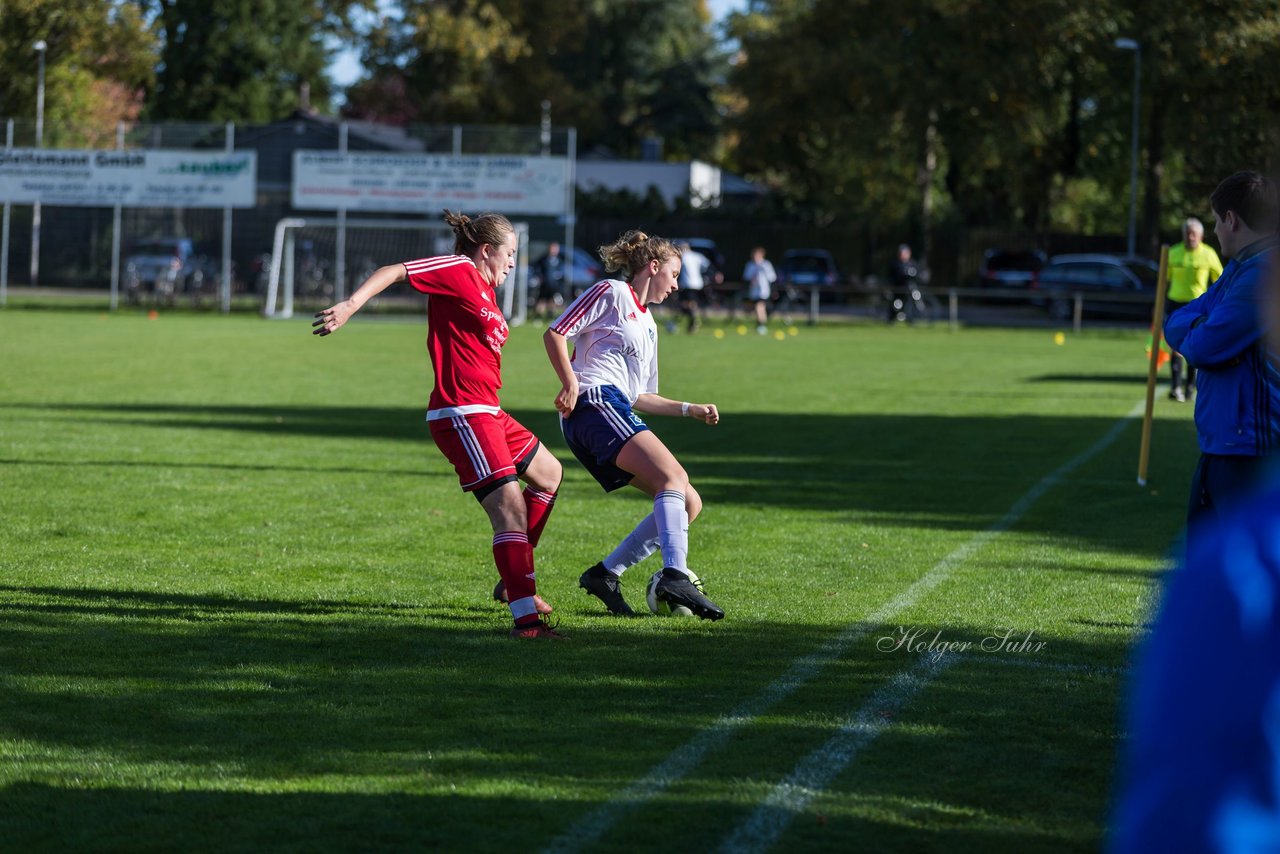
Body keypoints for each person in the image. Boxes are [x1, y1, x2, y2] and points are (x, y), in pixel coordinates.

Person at [313, 210, 566, 640]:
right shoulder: (459, 269)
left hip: (488, 410)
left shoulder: (485, 288)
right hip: (461, 412)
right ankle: (527, 621)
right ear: (486, 250)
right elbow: (395, 270)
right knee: (509, 508)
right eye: (509, 254)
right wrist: (351, 305)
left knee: (549, 474)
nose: (512, 263)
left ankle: (513, 581)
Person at [544, 230, 725, 619]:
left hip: (615, 407)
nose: (677, 285)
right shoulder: (611, 292)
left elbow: (640, 394)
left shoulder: (650, 326)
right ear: (653, 267)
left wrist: (689, 408)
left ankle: (605, 574)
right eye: (674, 275)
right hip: (592, 403)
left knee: (688, 502)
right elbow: (556, 332)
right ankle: (676, 575)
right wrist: (571, 382)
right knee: (673, 477)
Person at [1165, 170, 1280, 552]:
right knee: (1201, 570)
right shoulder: (1240, 267)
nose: (1214, 230)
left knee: (1245, 573)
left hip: (1249, 449)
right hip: (1222, 444)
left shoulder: (1264, 273)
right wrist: (1199, 325)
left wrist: (1199, 328)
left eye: (1215, 221)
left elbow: (1202, 347)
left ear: (1231, 219)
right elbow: (1179, 319)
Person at [1165, 218, 1224, 402]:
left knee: (1192, 345)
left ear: (1201, 236)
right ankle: (1176, 387)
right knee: (1175, 347)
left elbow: (1220, 281)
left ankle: (1190, 386)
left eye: (1193, 234)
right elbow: (1163, 281)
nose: (1190, 237)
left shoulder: (1208, 254)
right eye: (1187, 234)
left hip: (1197, 306)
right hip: (1175, 303)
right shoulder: (1173, 253)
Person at [673, 241, 709, 333]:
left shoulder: (683, 257)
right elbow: (707, 265)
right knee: (690, 304)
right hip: (698, 284)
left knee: (686, 304)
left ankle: (693, 321)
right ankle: (691, 323)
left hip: (687, 284)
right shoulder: (697, 256)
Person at [742, 246, 776, 335]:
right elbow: (746, 277)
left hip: (763, 291)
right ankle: (760, 324)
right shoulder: (750, 265)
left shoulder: (766, 264)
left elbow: (772, 277)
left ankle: (761, 326)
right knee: (756, 309)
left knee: (759, 307)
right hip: (753, 291)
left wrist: (764, 271)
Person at [532, 241, 567, 320]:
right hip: (545, 284)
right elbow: (536, 268)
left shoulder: (559, 260)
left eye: (556, 248)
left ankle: (550, 316)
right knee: (542, 300)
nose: (554, 250)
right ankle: (538, 317)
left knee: (552, 300)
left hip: (554, 285)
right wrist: (540, 277)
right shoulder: (543, 259)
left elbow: (561, 272)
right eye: (553, 248)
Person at [887, 243, 921, 323]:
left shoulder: (912, 263)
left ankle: (910, 319)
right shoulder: (895, 263)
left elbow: (918, 273)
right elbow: (893, 276)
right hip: (898, 288)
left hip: (909, 288)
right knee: (896, 305)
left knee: (909, 303)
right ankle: (891, 319)